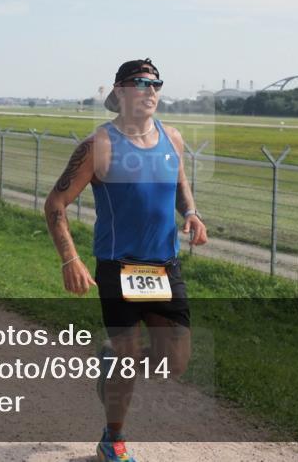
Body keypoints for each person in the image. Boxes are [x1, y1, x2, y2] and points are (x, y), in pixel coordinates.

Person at [43, 58, 208, 462]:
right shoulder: (98, 146)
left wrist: (190, 213)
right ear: (119, 91)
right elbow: (56, 204)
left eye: (156, 83)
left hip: (165, 266)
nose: (150, 90)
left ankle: (115, 361)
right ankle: (111, 438)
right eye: (139, 83)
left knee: (175, 363)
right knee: (128, 353)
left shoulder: (173, 138)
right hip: (119, 266)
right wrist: (71, 260)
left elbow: (179, 182)